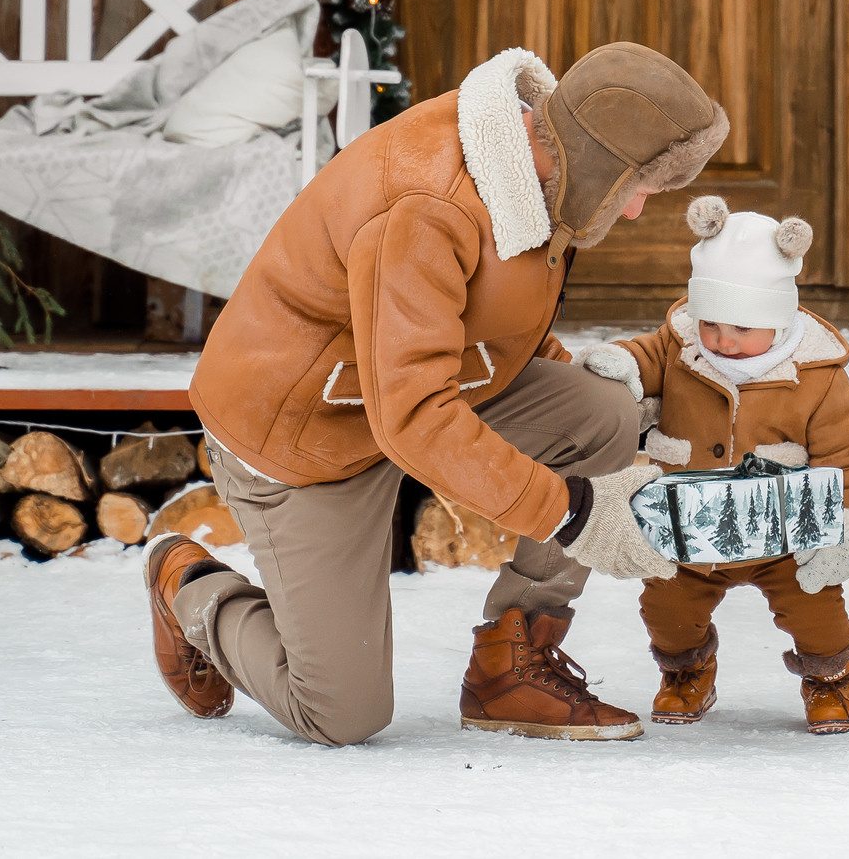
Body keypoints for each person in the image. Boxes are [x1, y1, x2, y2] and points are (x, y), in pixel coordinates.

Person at [142, 42, 725, 746]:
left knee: (601, 411)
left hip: (410, 389)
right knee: (342, 712)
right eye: (639, 188)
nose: (635, 210)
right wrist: (571, 513)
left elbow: (486, 314)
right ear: (599, 162)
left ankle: (510, 667)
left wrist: (579, 380)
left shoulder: (543, 171)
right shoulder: (425, 204)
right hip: (304, 431)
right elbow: (414, 416)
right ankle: (188, 585)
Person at [577, 198, 849, 735]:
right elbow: (647, 355)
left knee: (816, 612)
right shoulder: (681, 347)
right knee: (666, 610)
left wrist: (847, 530)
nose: (723, 340)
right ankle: (687, 670)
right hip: (688, 531)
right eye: (712, 322)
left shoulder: (817, 377)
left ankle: (831, 677)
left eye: (742, 327)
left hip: (784, 534)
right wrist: (624, 364)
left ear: (779, 317)